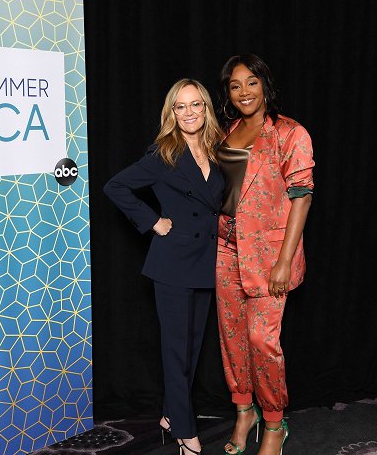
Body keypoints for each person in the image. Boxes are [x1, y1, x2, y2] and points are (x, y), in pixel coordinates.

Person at [104, 79, 224, 455]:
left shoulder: (219, 151)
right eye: (180, 106)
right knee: (175, 350)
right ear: (171, 112)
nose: (189, 113)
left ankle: (171, 414)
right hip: (172, 263)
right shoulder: (163, 153)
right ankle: (186, 434)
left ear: (206, 109)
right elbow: (115, 186)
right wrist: (154, 221)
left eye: (196, 105)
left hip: (206, 261)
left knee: (191, 350)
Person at [215, 54, 314, 455]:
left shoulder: (290, 133)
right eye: (235, 85)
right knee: (232, 338)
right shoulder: (227, 131)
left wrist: (285, 260)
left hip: (271, 255)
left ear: (265, 85)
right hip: (225, 249)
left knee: (261, 339)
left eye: (251, 82)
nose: (244, 92)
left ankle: (274, 420)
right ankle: (244, 412)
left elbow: (301, 197)